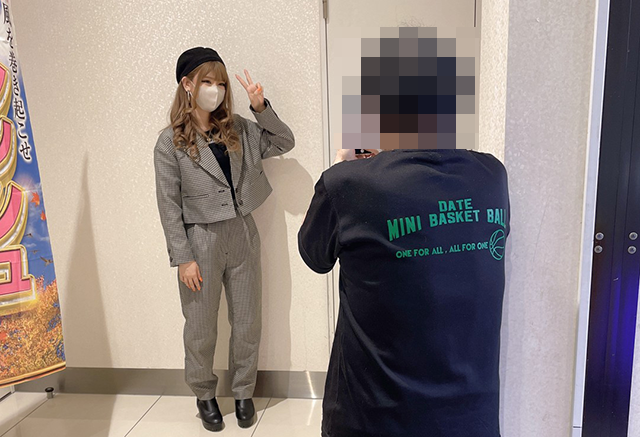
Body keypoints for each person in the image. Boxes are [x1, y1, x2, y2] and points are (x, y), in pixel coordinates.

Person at [299, 148, 510, 437]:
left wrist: (340, 167)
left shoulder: (346, 182)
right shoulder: (491, 174)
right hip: (471, 420)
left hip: (371, 418)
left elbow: (314, 256)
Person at [154, 47, 295, 432]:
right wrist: (183, 257)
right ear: (187, 84)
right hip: (200, 240)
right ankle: (204, 395)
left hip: (242, 232)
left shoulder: (240, 129)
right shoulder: (169, 143)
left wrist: (260, 106)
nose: (215, 90)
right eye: (207, 82)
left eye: (220, 83)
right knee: (200, 327)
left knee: (247, 321)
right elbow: (168, 205)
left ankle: (244, 391)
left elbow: (284, 142)